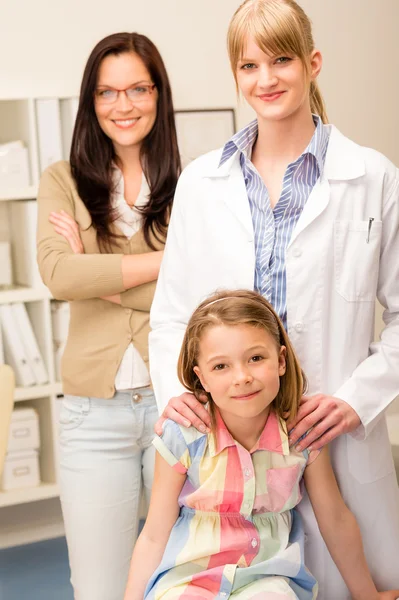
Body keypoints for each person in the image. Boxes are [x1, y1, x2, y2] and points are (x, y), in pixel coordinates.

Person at [149, 1, 399, 598]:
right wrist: (180, 397)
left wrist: (356, 400)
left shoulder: (371, 176)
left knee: (357, 584)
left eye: (282, 59)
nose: (266, 79)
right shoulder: (203, 183)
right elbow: (171, 316)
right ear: (235, 75)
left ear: (312, 63)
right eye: (249, 65)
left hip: (330, 440)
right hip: (231, 448)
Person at [124, 290, 399, 600]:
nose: (241, 377)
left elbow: (335, 520)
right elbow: (153, 535)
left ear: (280, 360)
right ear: (201, 379)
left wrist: (367, 595)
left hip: (267, 581)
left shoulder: (301, 436)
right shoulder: (183, 434)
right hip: (188, 580)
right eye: (220, 367)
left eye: (255, 358)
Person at [37, 32, 180, 600]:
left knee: (187, 579)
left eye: (137, 89)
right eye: (107, 92)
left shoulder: (191, 183)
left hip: (178, 409)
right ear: (90, 102)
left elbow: (196, 298)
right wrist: (166, 265)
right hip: (92, 420)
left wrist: (97, 271)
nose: (123, 106)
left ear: (158, 94)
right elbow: (59, 276)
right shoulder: (62, 179)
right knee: (99, 588)